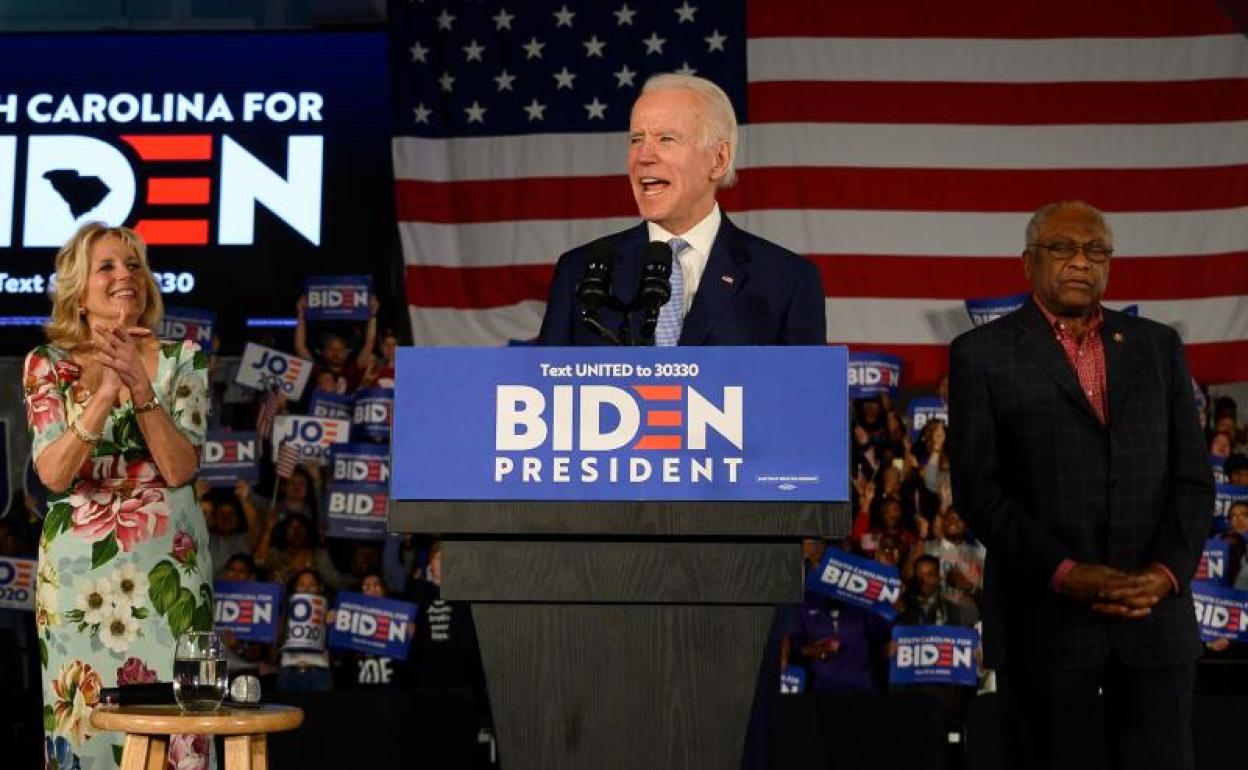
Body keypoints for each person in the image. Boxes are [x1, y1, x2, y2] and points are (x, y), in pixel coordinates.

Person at [948, 200, 1214, 769]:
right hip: (1044, 624)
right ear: (1028, 263)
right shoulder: (982, 355)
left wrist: (1164, 574)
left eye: (1096, 251)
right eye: (1063, 248)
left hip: (1153, 623)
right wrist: (1064, 572)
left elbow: (1192, 481)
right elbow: (980, 490)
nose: (1081, 262)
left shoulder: (1156, 346)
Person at [23, 222, 212, 770]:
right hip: (78, 585)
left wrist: (140, 387)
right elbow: (54, 474)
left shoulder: (185, 358)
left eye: (133, 266)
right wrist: (104, 394)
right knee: (84, 731)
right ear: (79, 291)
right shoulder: (47, 364)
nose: (124, 276)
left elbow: (180, 468)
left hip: (168, 575)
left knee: (180, 729)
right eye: (107, 266)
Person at [538, 73, 825, 346]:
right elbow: (547, 386)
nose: (644, 156)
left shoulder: (786, 280)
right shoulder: (580, 273)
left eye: (665, 139)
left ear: (719, 159)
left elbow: (804, 393)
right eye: (636, 139)